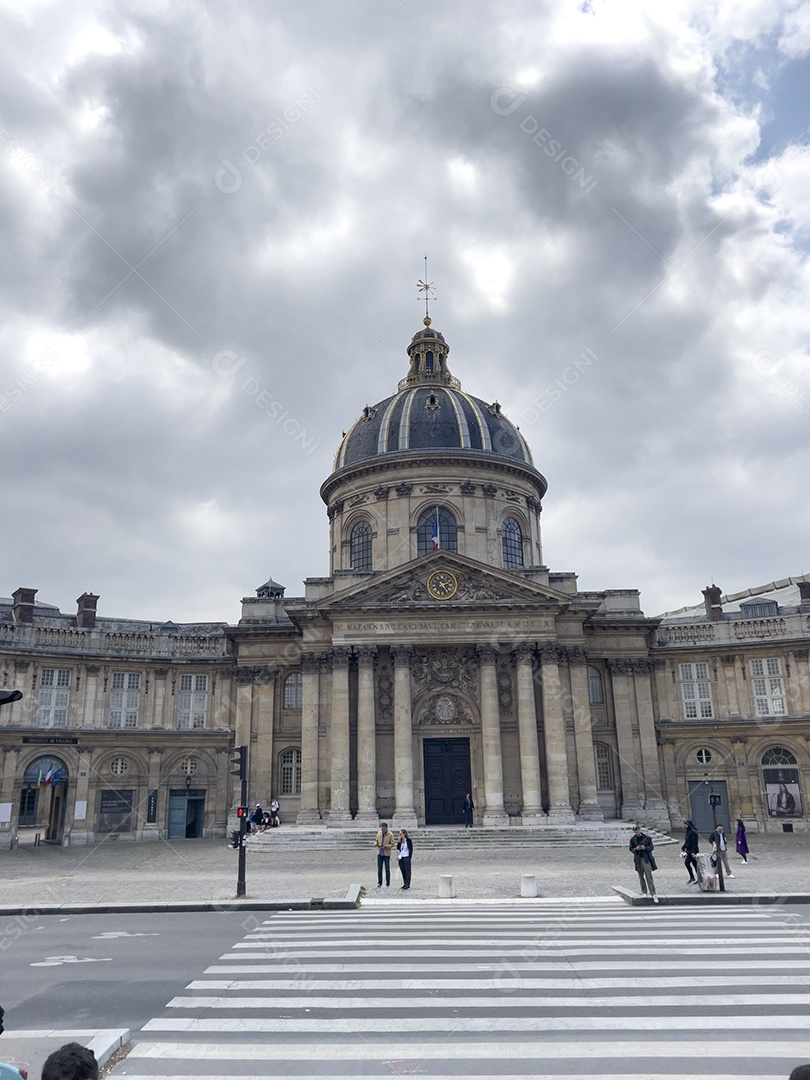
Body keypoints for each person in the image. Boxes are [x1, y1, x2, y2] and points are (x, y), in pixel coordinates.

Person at [629, 825, 658, 902]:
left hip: (646, 859)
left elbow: (651, 847)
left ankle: (653, 893)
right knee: (641, 877)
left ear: (640, 830)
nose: (637, 832)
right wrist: (636, 849)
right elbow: (631, 849)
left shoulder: (647, 838)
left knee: (649, 876)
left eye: (638, 830)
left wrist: (645, 848)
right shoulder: (632, 839)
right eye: (635, 831)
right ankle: (644, 891)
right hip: (638, 859)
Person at [374, 822, 395, 887]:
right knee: (379, 869)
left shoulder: (390, 834)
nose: (382, 831)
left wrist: (386, 846)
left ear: (386, 828)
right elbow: (376, 840)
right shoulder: (379, 833)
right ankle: (379, 883)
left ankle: (388, 883)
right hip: (380, 853)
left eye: (383, 829)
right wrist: (375, 844)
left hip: (386, 854)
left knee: (387, 869)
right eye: (381, 829)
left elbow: (392, 844)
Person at [682, 820, 700, 884]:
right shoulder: (688, 831)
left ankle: (695, 877)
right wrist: (683, 847)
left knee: (692, 864)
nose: (685, 826)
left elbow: (694, 843)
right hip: (689, 850)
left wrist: (693, 852)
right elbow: (687, 841)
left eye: (686, 824)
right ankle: (694, 877)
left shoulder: (693, 832)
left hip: (692, 851)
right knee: (692, 864)